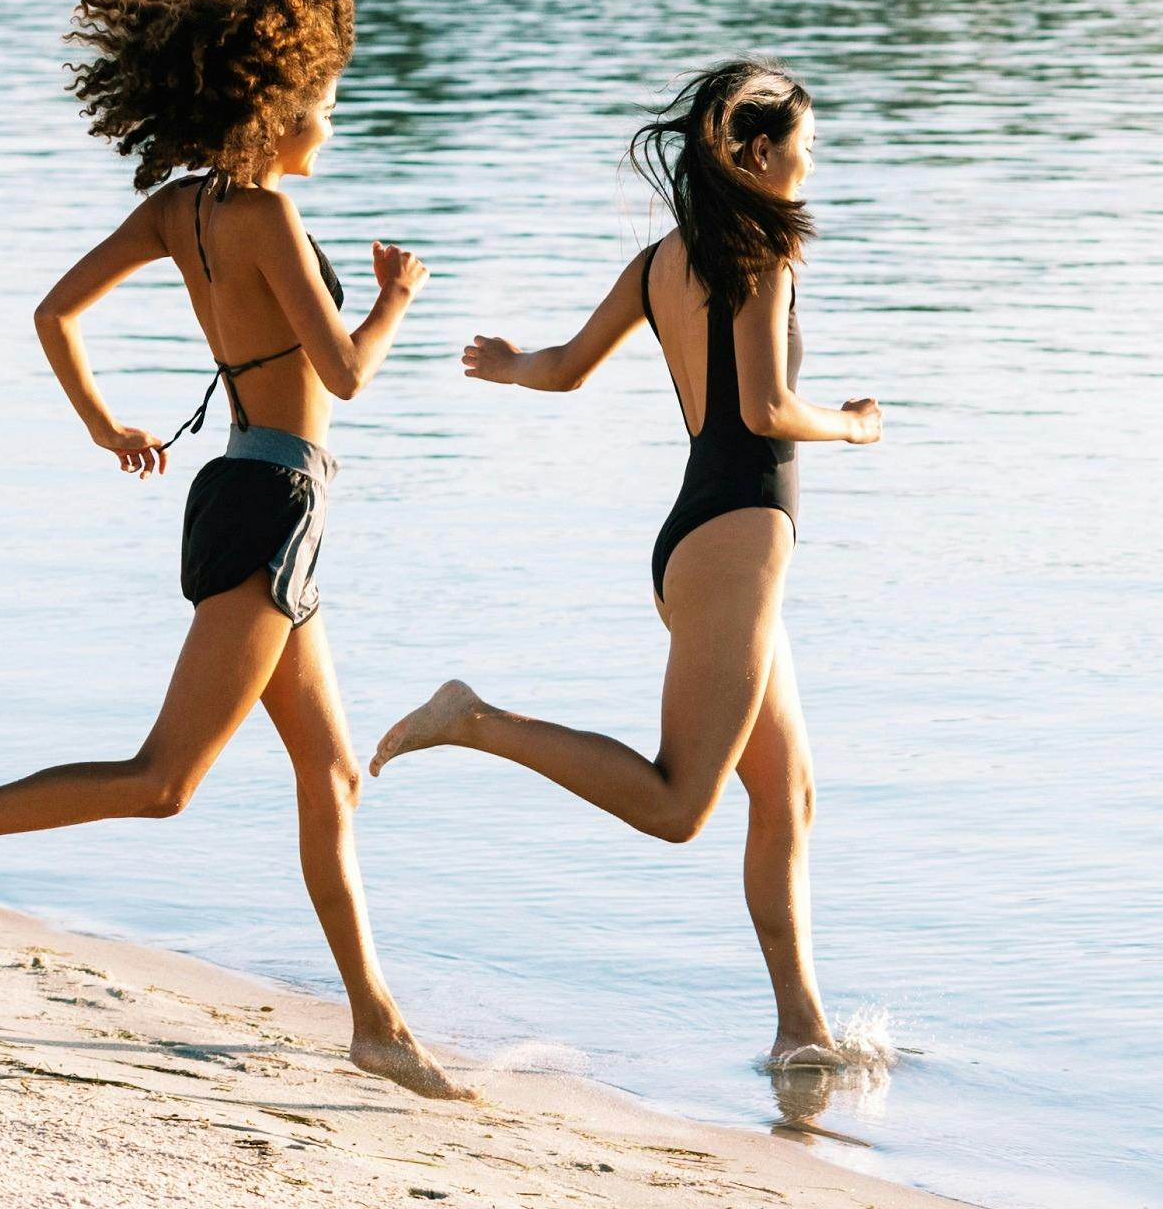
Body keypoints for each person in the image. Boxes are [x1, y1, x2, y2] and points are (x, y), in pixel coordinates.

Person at [0, 0, 463, 1099]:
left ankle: (375, 1025)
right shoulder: (266, 217)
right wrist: (391, 299)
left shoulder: (182, 209)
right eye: (323, 103)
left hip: (258, 494)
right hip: (272, 501)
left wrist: (101, 424)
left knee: (330, 775)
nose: (330, 122)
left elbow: (53, 311)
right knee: (163, 779)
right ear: (275, 106)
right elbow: (349, 373)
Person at [373, 61, 881, 1070]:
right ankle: (470, 718)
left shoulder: (660, 262)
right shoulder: (761, 256)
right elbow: (768, 412)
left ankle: (801, 1033)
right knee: (676, 803)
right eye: (804, 148)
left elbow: (562, 369)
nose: (811, 165)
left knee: (787, 796)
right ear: (753, 154)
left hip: (704, 540)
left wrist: (510, 363)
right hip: (733, 538)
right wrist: (855, 427)